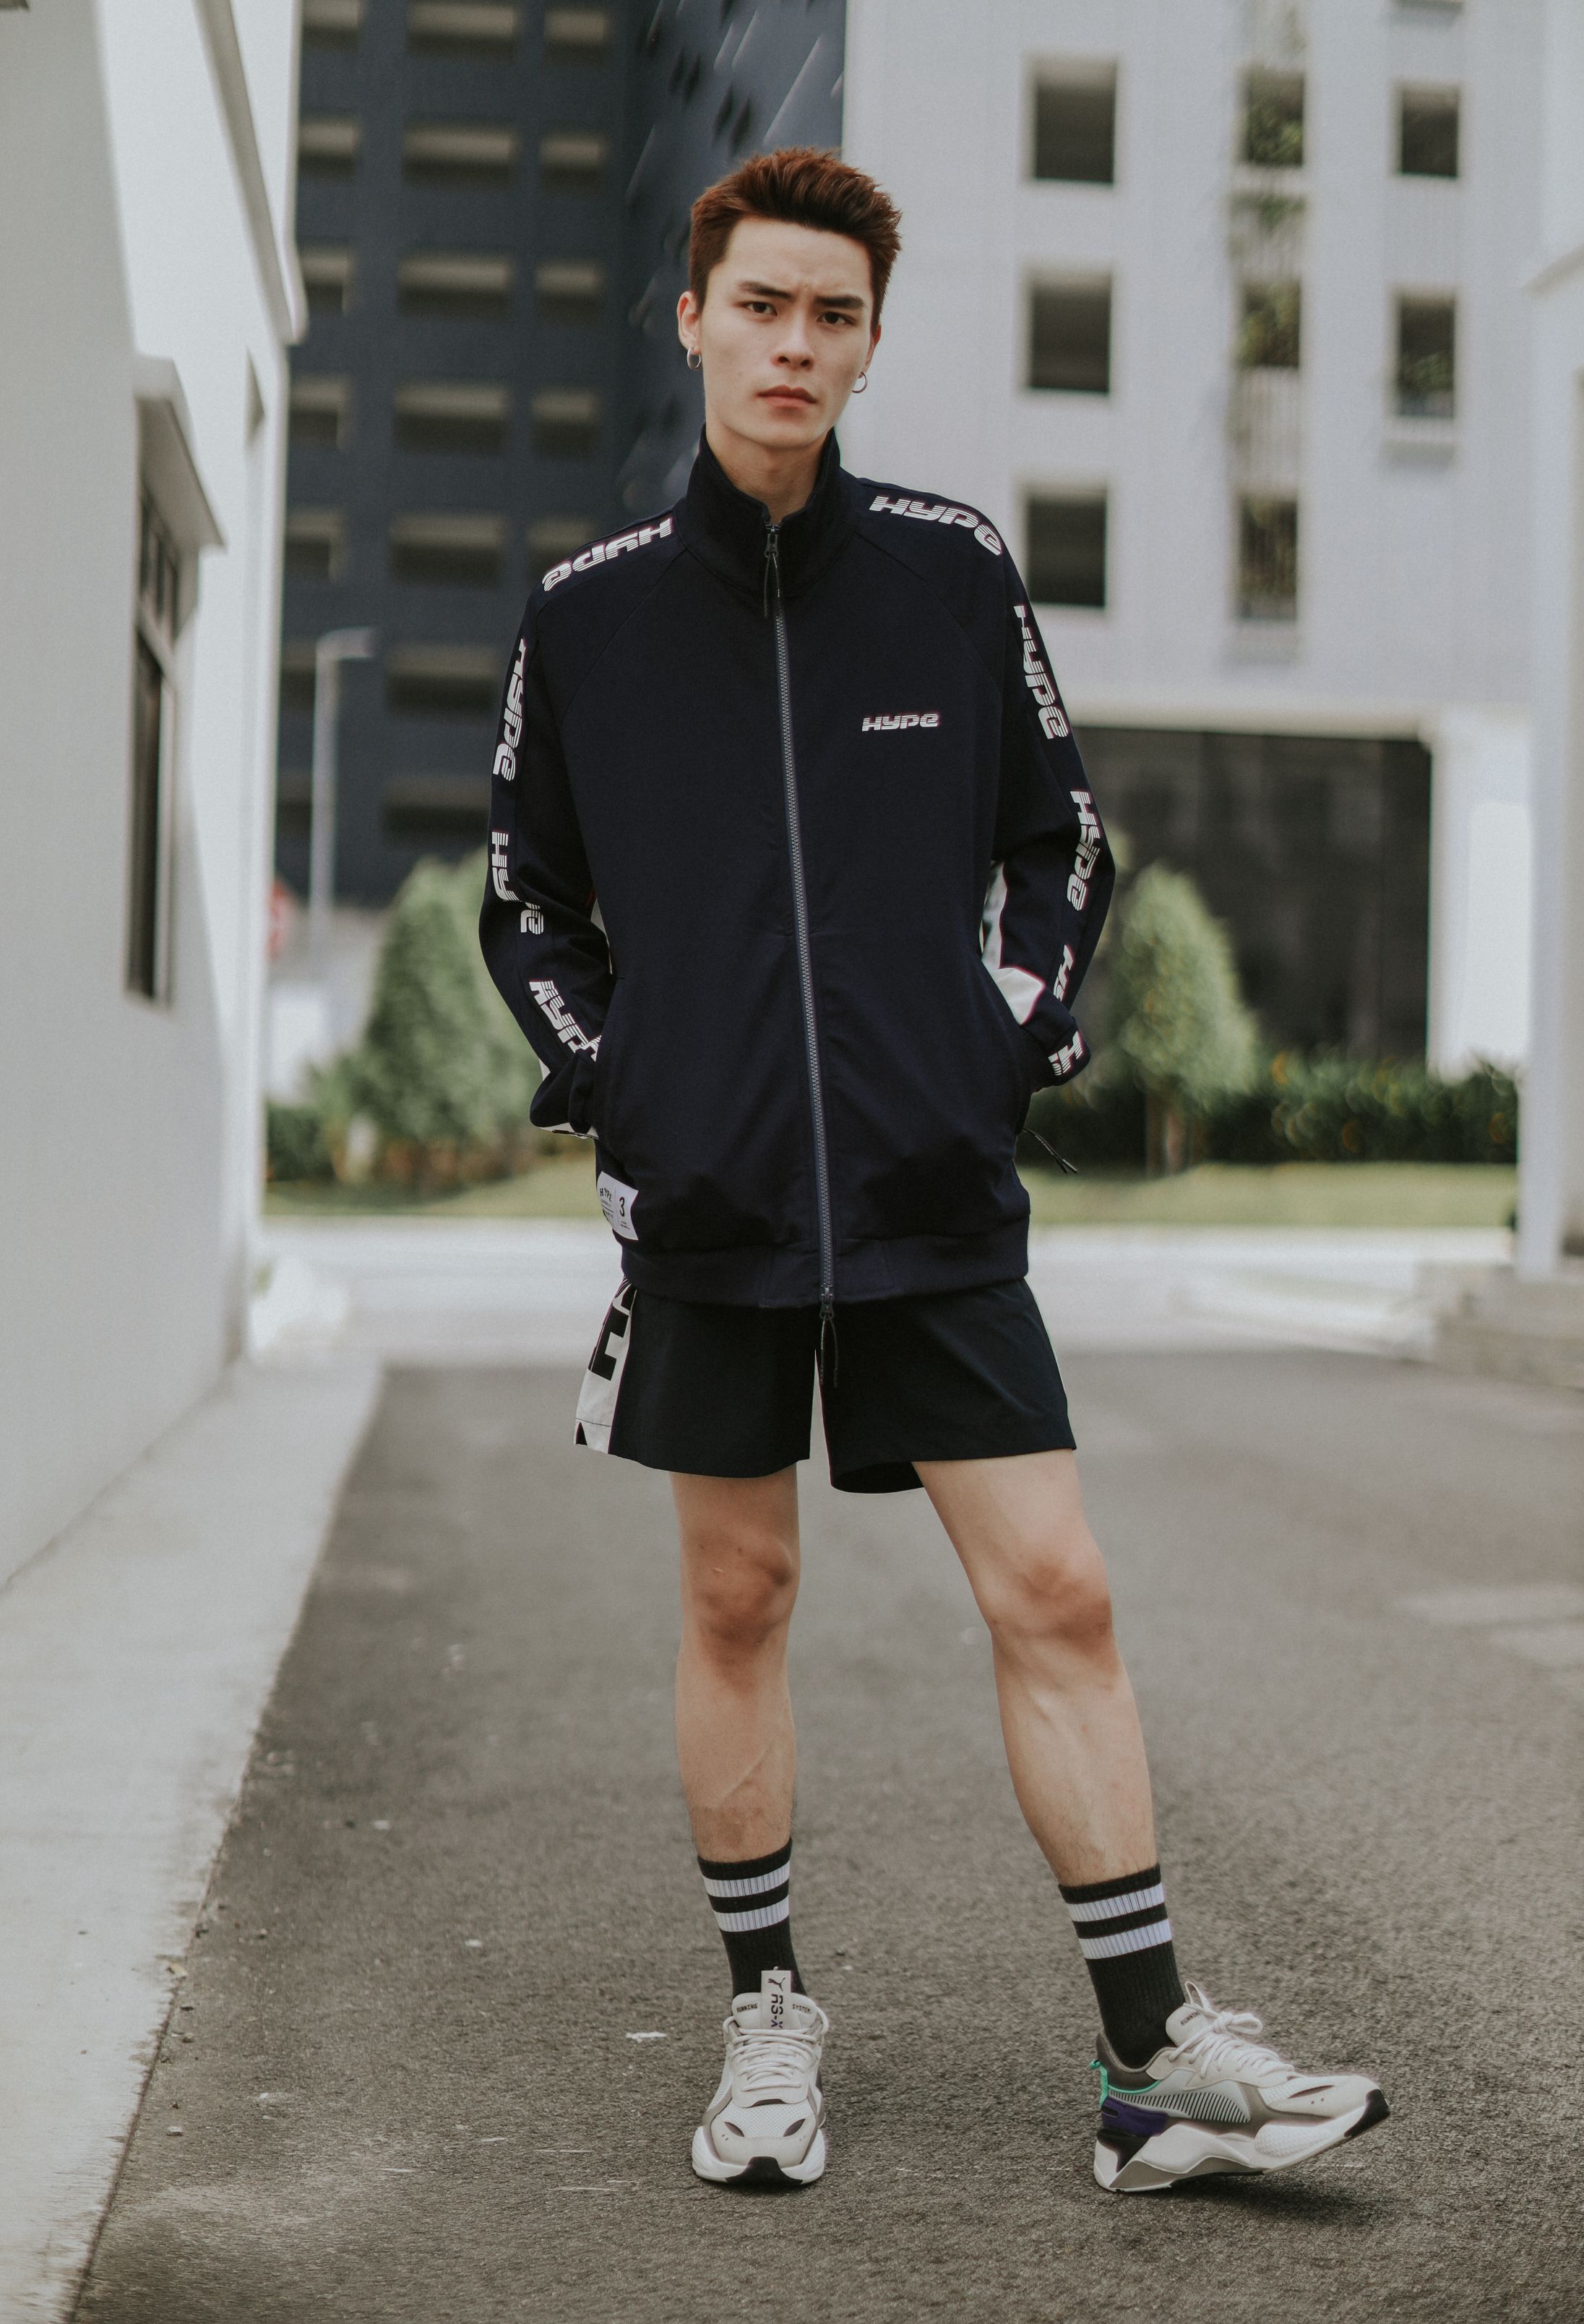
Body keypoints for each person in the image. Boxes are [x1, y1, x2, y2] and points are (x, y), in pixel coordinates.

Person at [481, 147, 1387, 2195]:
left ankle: (1151, 2062)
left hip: (929, 1189)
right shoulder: (592, 617)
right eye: (763, 305)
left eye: (837, 315)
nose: (796, 346)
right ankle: (767, 2018)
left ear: (871, 341)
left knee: (1057, 1585)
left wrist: (1007, 1034)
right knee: (739, 1594)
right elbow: (526, 901)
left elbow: (1061, 840)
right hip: (713, 1203)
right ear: (693, 318)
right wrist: (624, 1082)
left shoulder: (952, 574)